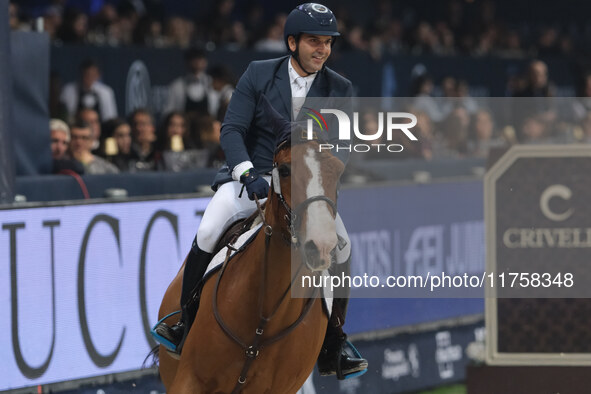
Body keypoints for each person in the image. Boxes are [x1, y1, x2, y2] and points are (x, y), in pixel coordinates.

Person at [152, 3, 368, 380]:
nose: (323, 49)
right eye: (314, 41)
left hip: (306, 183)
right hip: (252, 176)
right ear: (292, 42)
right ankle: (182, 320)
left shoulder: (341, 89)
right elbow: (232, 130)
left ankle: (335, 341)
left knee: (343, 246)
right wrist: (247, 171)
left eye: (328, 43)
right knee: (207, 232)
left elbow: (343, 147)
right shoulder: (258, 74)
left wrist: (314, 175)